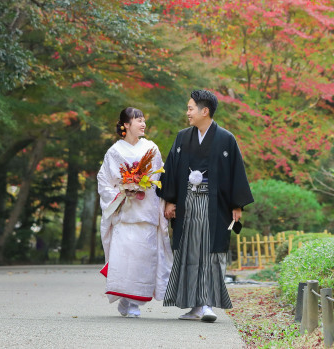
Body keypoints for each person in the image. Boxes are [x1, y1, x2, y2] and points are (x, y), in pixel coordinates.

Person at [159, 90, 253, 322]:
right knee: (190, 251)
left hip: (215, 205)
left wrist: (237, 205)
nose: (187, 112)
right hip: (187, 202)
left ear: (205, 111)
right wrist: (170, 200)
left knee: (211, 253)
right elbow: (170, 168)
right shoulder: (182, 138)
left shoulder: (226, 139)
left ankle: (208, 304)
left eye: (191, 108)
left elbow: (236, 173)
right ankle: (194, 305)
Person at [97, 107, 172, 318]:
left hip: (146, 211)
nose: (143, 124)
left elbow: (159, 179)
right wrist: (123, 190)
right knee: (125, 258)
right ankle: (126, 300)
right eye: (138, 120)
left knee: (143, 258)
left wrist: (142, 185)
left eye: (144, 120)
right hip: (125, 212)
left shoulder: (152, 149)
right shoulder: (114, 151)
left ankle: (134, 301)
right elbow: (104, 181)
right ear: (126, 125)